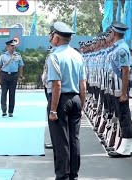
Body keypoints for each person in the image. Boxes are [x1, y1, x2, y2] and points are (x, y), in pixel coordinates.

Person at [45, 21, 86, 180]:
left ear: (56, 38)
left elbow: (56, 84)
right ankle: (73, 175)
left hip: (60, 100)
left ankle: (62, 175)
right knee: (74, 139)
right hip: (75, 99)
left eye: (51, 35)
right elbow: (83, 84)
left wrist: (53, 110)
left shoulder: (54, 56)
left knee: (60, 141)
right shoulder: (77, 55)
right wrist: (81, 105)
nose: (50, 38)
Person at [107, 21, 132, 158]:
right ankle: (123, 146)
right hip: (116, 87)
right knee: (120, 115)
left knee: (124, 116)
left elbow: (125, 71)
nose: (110, 35)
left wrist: (123, 93)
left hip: (120, 88)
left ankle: (126, 148)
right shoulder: (117, 48)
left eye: (110, 32)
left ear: (114, 33)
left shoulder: (121, 49)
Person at [0, 39, 24, 117]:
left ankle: (11, 111)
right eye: (12, 46)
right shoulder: (3, 55)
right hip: (4, 75)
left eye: (14, 46)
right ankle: (4, 110)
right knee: (4, 93)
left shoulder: (18, 55)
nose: (13, 47)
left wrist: (20, 76)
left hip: (14, 76)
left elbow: (21, 66)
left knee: (12, 94)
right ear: (8, 46)